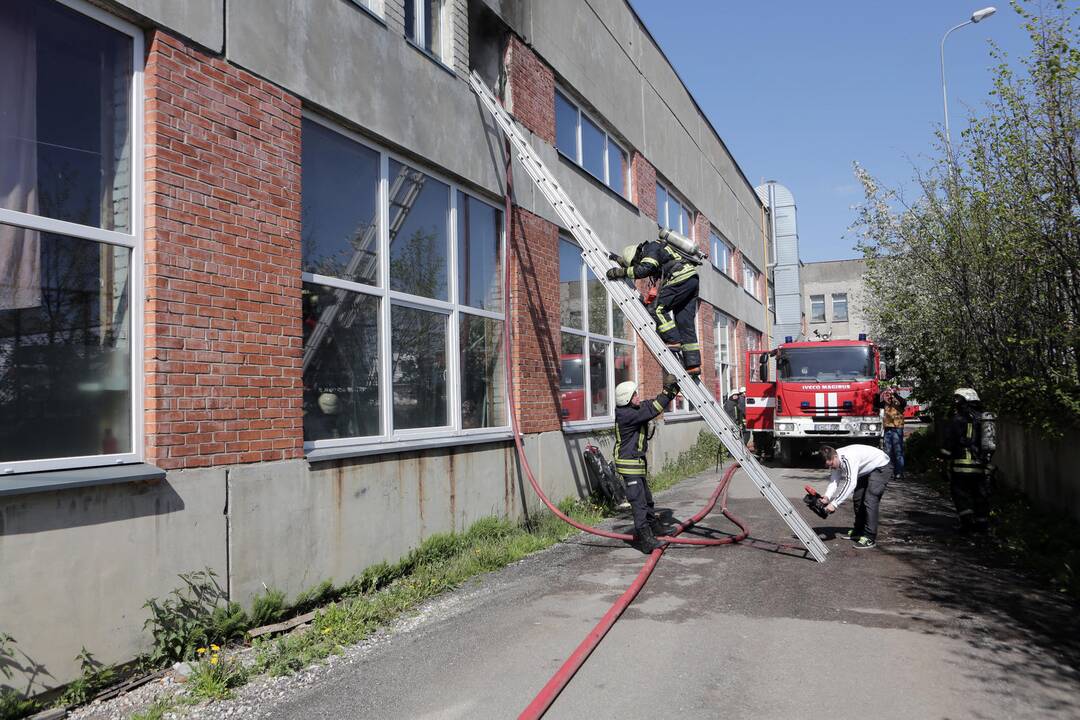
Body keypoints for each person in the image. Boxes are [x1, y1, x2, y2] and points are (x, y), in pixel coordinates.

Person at [606, 235, 701, 374]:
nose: (637, 265)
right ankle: (693, 364)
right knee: (684, 322)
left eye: (635, 262)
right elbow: (645, 267)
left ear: (638, 255)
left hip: (680, 277)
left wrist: (621, 272)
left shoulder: (650, 248)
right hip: (691, 279)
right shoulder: (659, 250)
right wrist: (617, 259)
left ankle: (673, 340)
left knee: (656, 309)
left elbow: (645, 269)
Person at [614, 373, 681, 552]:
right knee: (639, 503)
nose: (638, 397)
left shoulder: (632, 409)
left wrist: (672, 393)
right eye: (634, 395)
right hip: (629, 462)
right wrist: (667, 391)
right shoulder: (627, 414)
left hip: (636, 462)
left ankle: (655, 528)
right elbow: (652, 409)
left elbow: (651, 404)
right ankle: (645, 540)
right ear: (627, 399)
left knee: (647, 499)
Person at [817, 444, 893, 549]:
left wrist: (834, 504)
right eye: (829, 466)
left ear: (834, 457)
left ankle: (870, 537)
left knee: (870, 499)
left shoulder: (848, 458)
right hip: (866, 470)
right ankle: (859, 531)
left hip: (881, 466)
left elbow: (850, 483)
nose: (832, 467)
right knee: (858, 498)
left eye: (832, 465)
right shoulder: (835, 459)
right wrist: (827, 497)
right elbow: (834, 481)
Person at [940, 388, 991, 534]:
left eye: (957, 399)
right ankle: (983, 527)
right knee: (979, 495)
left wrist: (943, 463)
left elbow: (948, 444)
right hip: (981, 466)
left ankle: (967, 525)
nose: (955, 403)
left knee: (961, 495)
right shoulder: (983, 418)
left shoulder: (957, 419)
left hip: (960, 466)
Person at [879, 387, 908, 480]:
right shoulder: (886, 401)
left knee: (898, 451)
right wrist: (881, 393)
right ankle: (890, 472)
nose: (889, 395)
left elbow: (903, 403)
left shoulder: (899, 401)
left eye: (890, 393)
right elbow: (876, 403)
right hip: (888, 428)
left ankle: (899, 472)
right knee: (888, 452)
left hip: (897, 428)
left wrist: (894, 394)